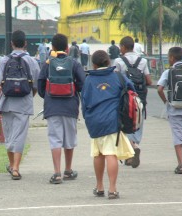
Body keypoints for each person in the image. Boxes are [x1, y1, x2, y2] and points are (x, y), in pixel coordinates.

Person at [81, 50, 135, 199]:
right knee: (111, 153)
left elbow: (84, 103)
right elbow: (131, 91)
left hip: (94, 122)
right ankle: (112, 189)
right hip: (112, 120)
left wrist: (88, 120)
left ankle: (99, 187)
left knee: (98, 154)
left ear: (94, 64)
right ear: (108, 62)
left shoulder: (89, 80)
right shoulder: (117, 76)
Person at [38, 33, 86, 184]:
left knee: (55, 139)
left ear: (52, 47)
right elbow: (83, 83)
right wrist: (74, 89)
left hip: (52, 107)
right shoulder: (74, 63)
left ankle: (57, 172)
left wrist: (47, 95)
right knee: (70, 139)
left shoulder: (47, 63)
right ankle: (68, 170)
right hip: (70, 106)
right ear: (67, 48)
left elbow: (39, 85)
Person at [0, 30, 40, 180]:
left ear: (12, 43)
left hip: (6, 102)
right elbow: (36, 86)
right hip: (24, 104)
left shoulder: (4, 61)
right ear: (25, 43)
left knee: (9, 135)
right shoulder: (32, 61)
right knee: (20, 135)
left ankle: (11, 163)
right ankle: (16, 168)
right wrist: (28, 96)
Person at [113, 36, 152, 168]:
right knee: (138, 121)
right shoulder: (143, 61)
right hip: (139, 97)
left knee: (124, 123)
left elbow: (115, 79)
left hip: (124, 97)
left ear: (123, 47)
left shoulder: (118, 61)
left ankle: (131, 149)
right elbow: (149, 81)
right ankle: (134, 146)